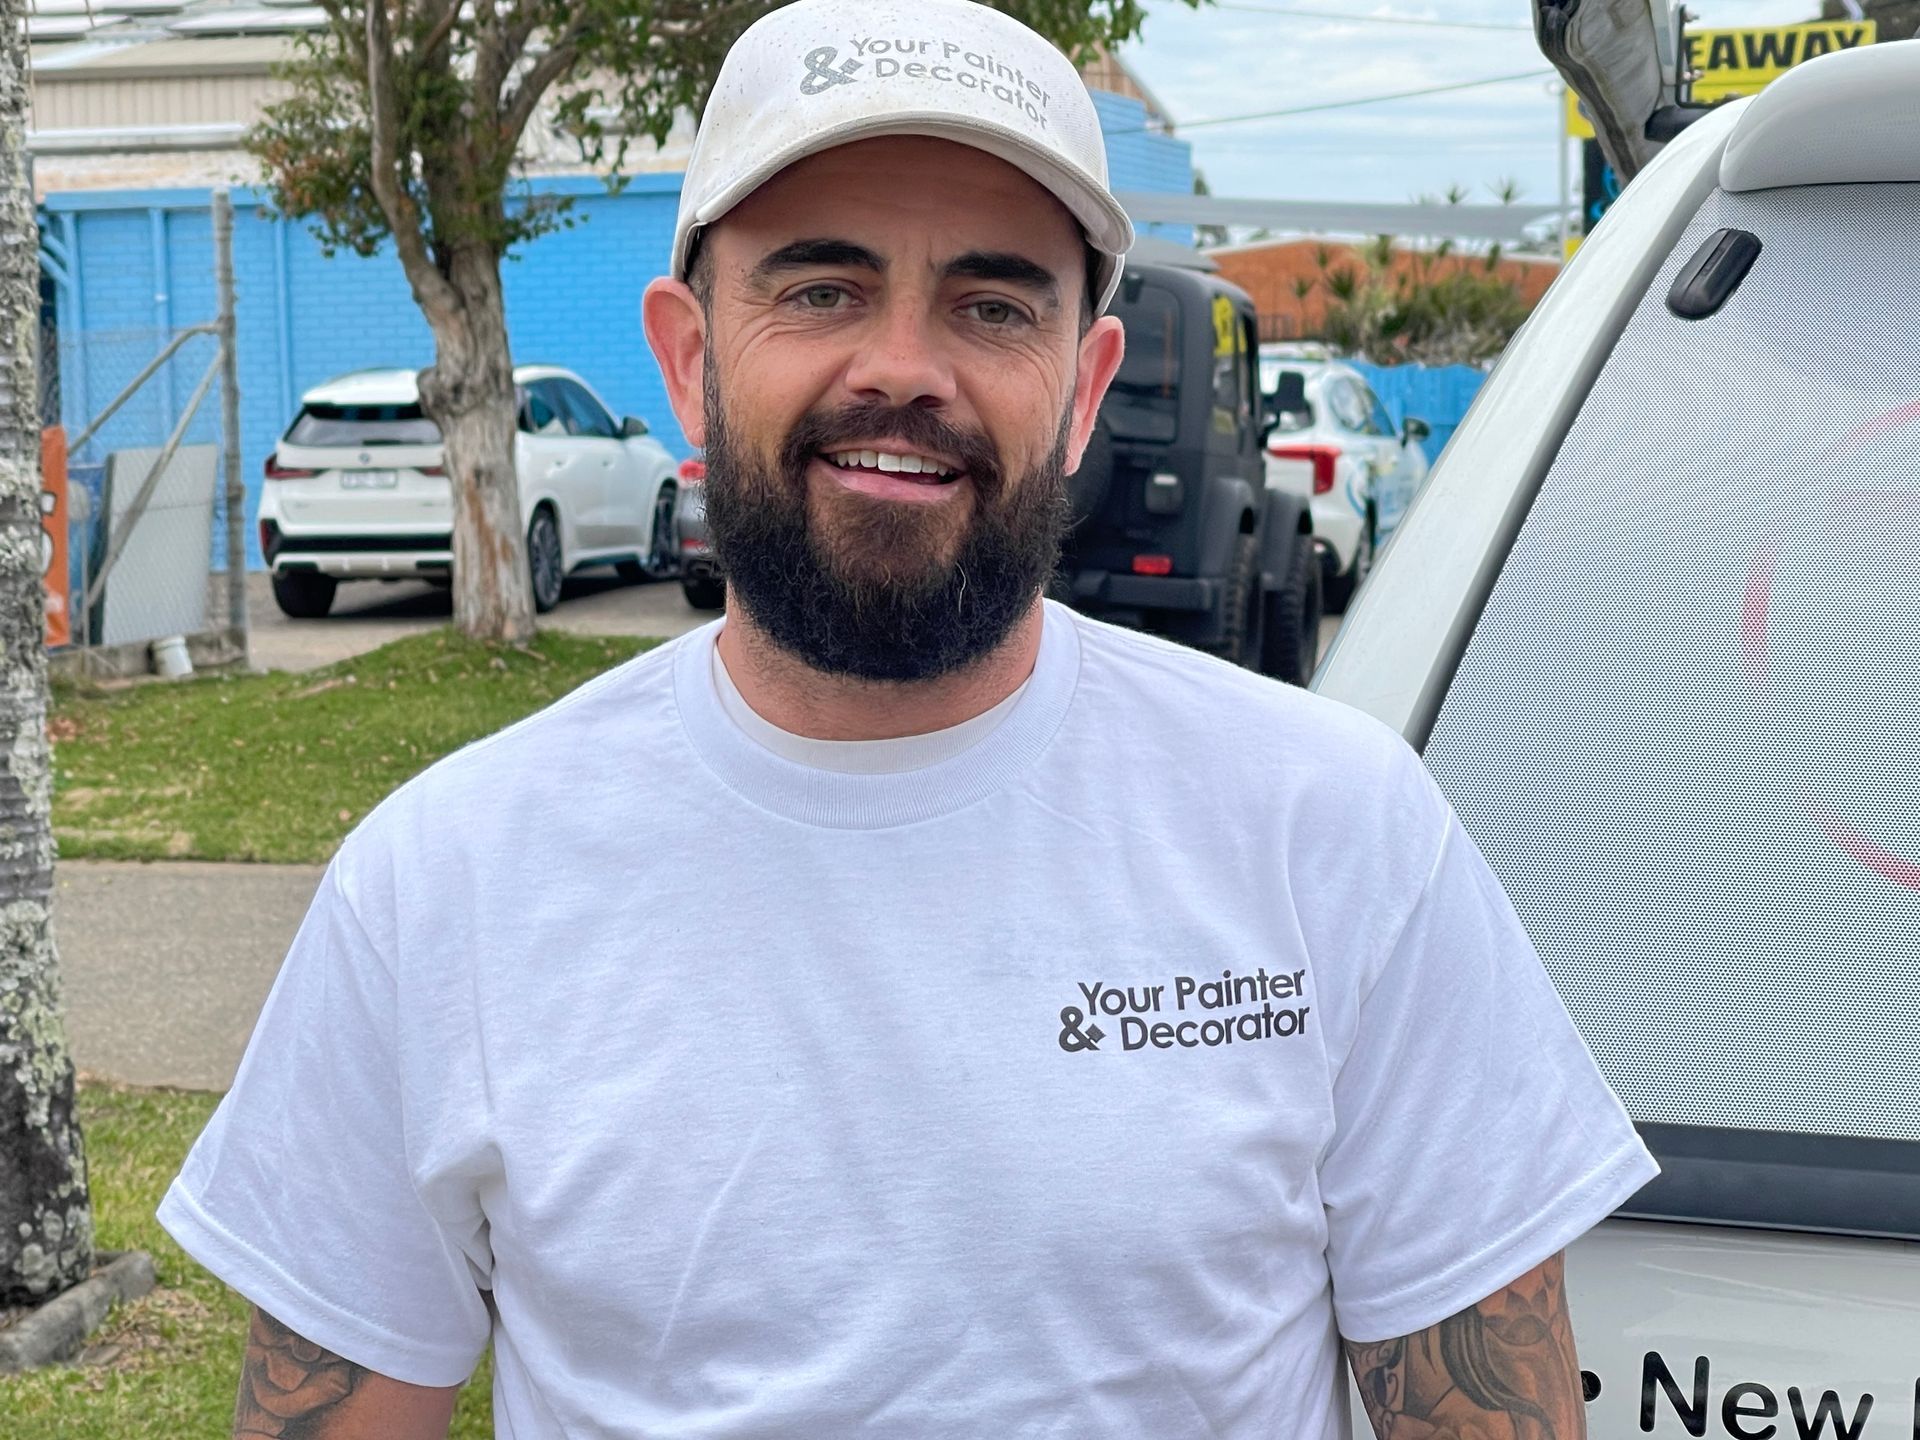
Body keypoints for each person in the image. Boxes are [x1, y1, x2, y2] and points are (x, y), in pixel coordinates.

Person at [160, 0, 1657, 1435]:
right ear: (689, 356)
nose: (903, 369)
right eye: (821, 289)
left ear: (1082, 389)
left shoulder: (1334, 831)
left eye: (992, 304)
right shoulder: (441, 888)